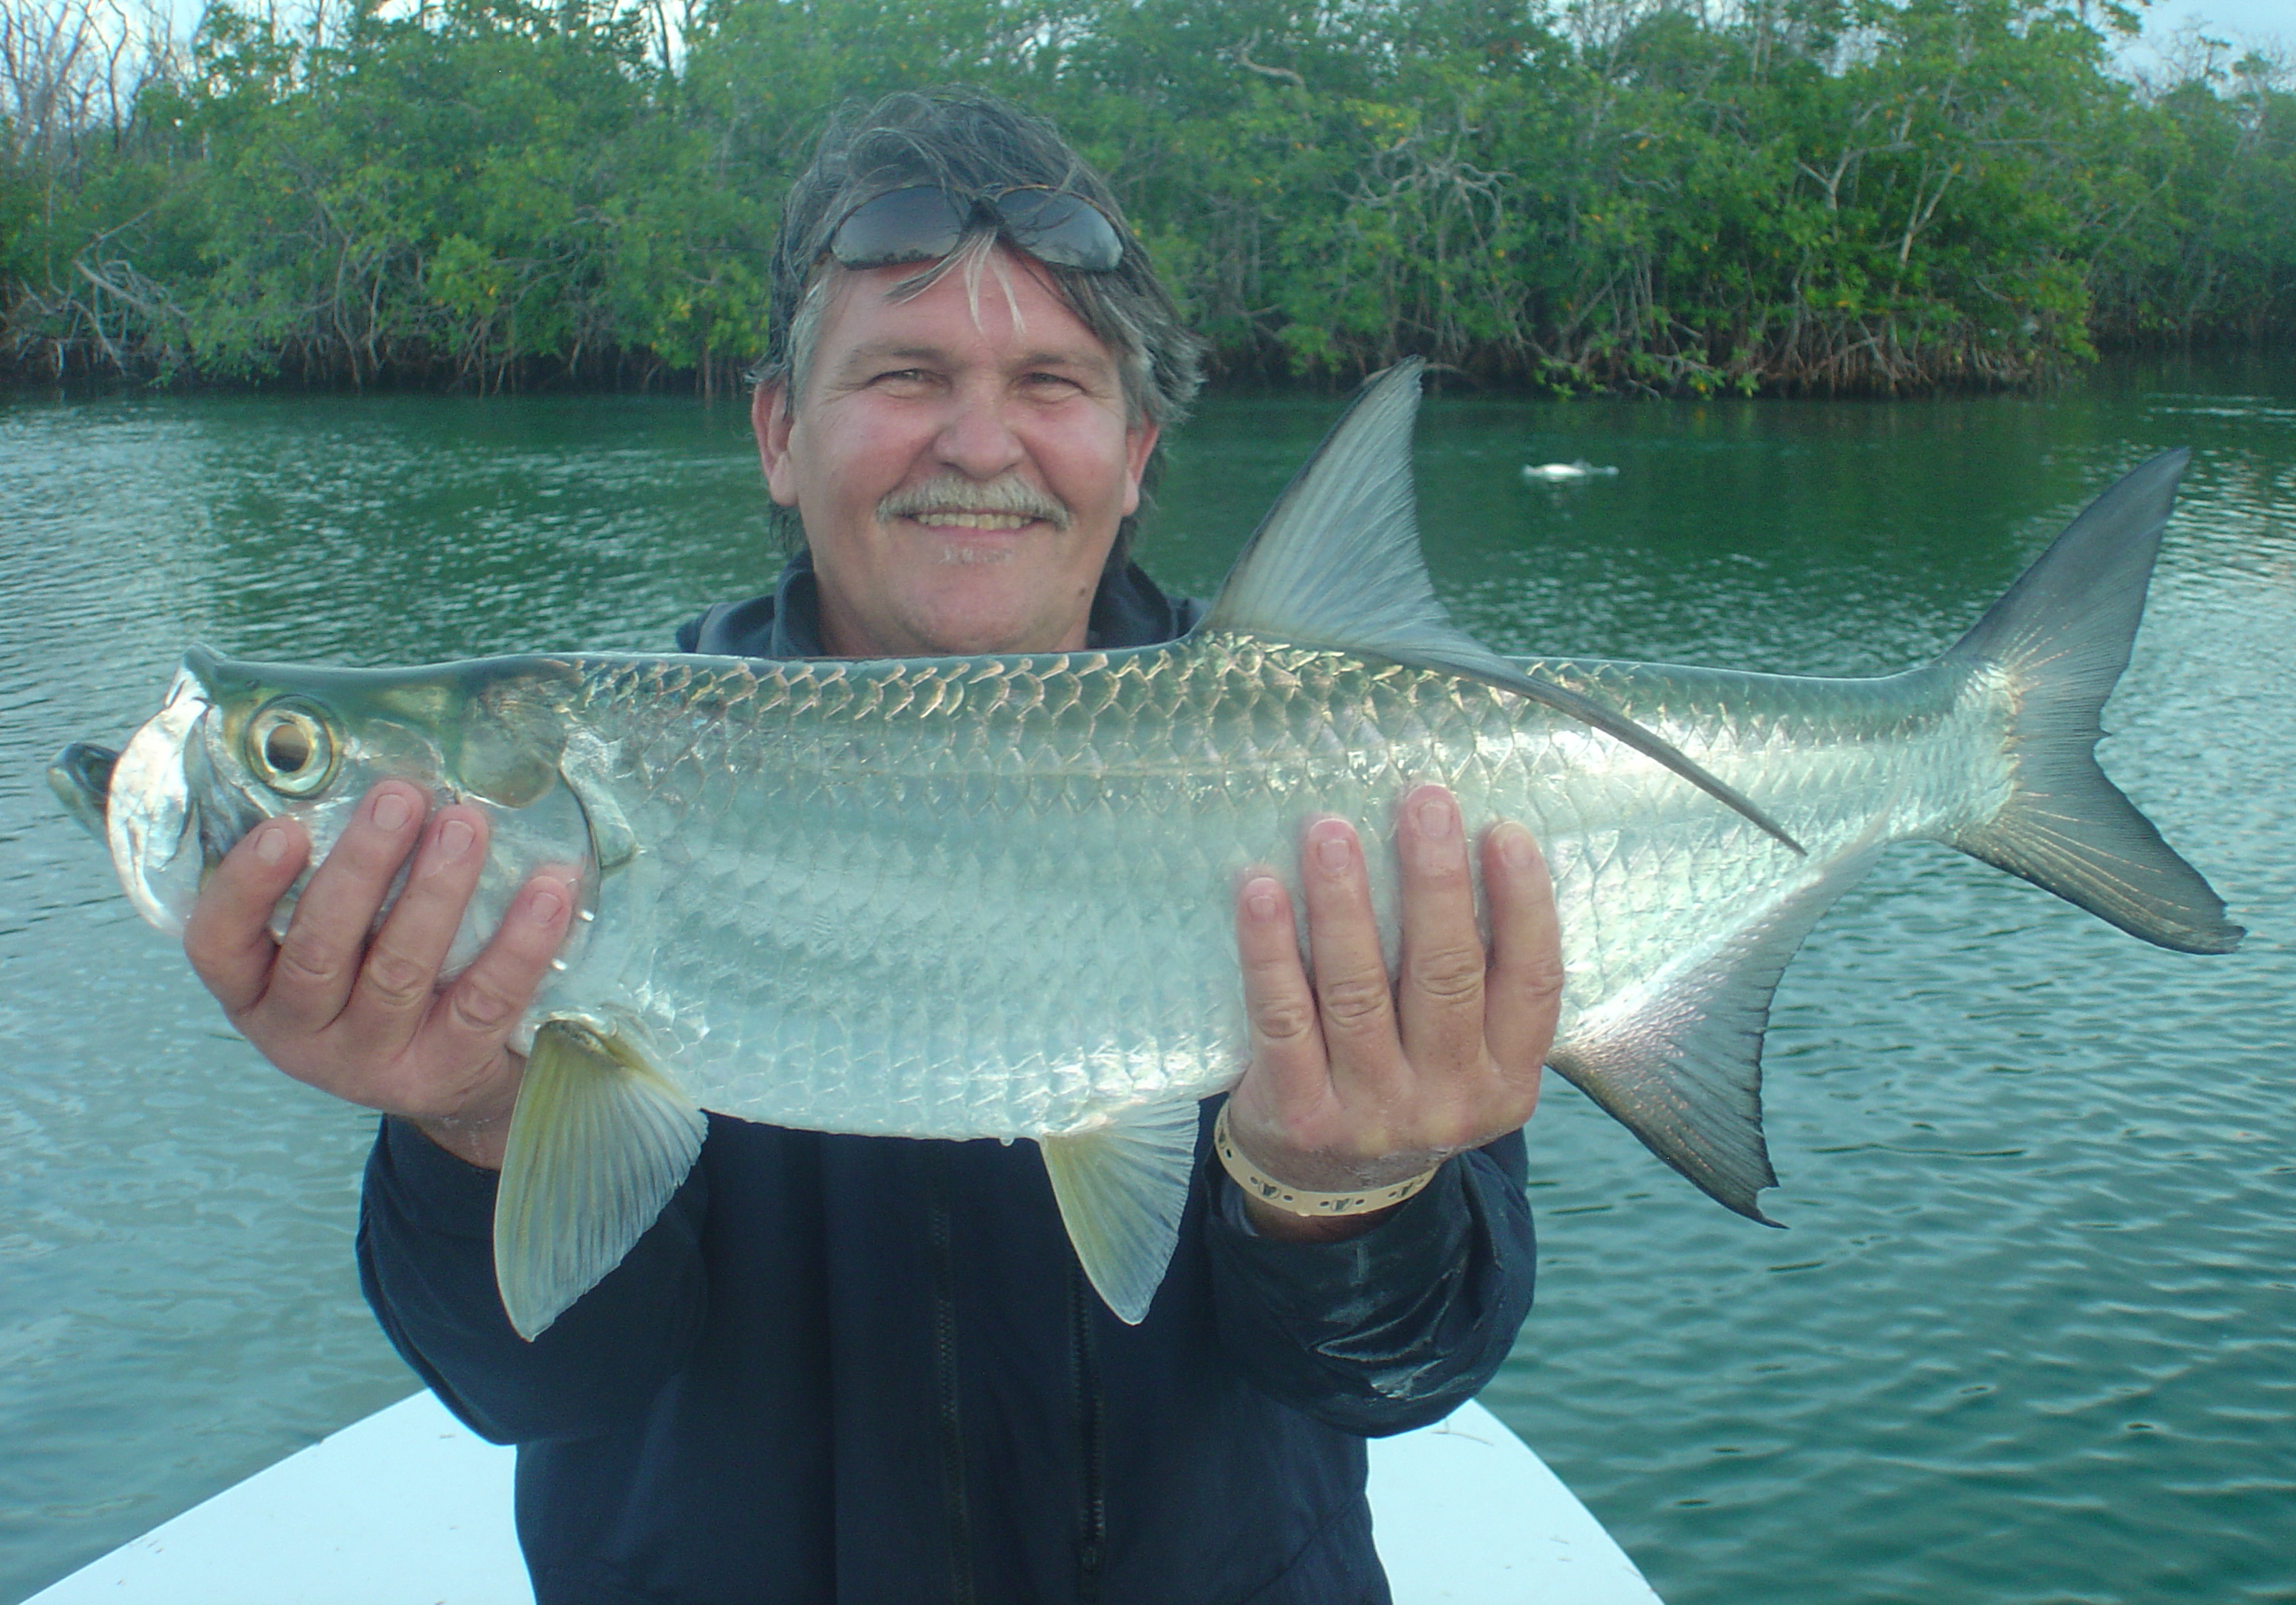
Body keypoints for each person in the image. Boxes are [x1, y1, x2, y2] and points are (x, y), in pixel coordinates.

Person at [181, 90, 1561, 1604]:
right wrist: (466, 1127)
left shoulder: (1380, 783)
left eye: (1052, 380)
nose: (980, 443)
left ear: (1137, 448)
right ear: (779, 432)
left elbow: (1400, 1375)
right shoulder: (603, 799)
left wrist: (1341, 1201)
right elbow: (539, 1395)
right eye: (905, 374)